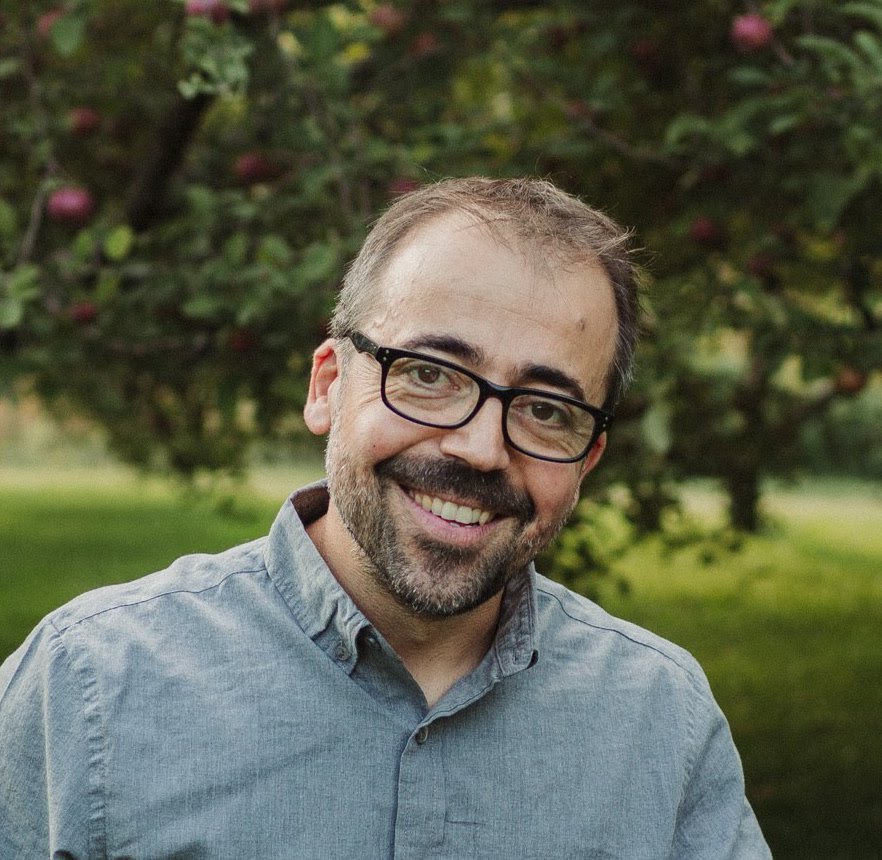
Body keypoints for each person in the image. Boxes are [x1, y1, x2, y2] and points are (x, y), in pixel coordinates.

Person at [0, 177, 771, 859]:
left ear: (589, 458)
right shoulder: (86, 687)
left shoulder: (659, 718)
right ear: (327, 386)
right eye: (429, 375)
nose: (479, 449)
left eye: (545, 409)